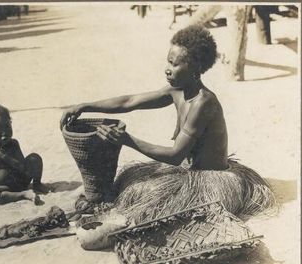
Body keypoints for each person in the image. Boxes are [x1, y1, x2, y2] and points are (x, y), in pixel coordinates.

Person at [60, 25, 275, 223]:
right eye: (168, 61)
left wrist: (127, 140)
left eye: (175, 63)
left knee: (142, 203)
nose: (167, 69)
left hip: (208, 178)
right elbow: (130, 101)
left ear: (195, 67)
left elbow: (175, 156)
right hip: (186, 170)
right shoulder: (177, 91)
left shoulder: (204, 102)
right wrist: (84, 106)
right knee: (128, 182)